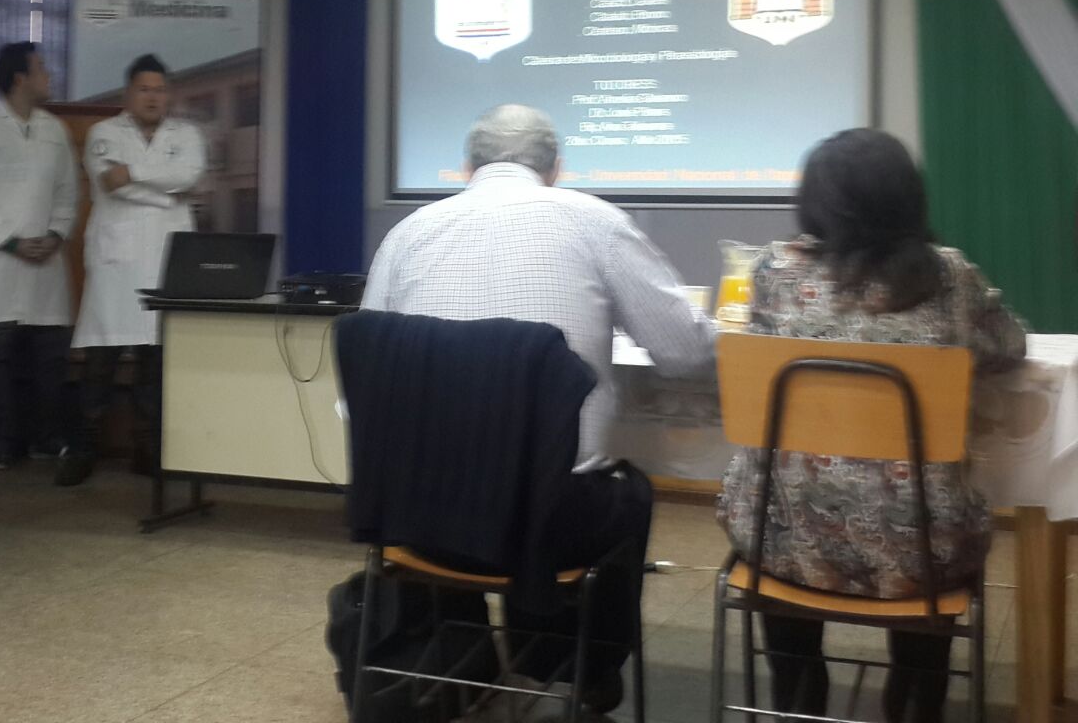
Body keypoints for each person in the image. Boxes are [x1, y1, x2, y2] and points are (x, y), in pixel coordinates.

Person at [361, 104, 715, 711]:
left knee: (473, 476)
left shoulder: (408, 233)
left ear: (467, 168)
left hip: (420, 519)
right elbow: (684, 353)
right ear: (555, 170)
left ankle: (464, 654)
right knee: (626, 491)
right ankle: (575, 667)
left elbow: (367, 384)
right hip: (550, 526)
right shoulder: (595, 221)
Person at [716, 129, 1025, 723]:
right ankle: (914, 697)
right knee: (923, 529)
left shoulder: (773, 273)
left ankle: (799, 695)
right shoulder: (949, 278)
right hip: (923, 557)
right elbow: (1009, 345)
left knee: (782, 511)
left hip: (781, 543)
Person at [57, 54, 205, 487]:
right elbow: (111, 185)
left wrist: (136, 172)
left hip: (164, 258)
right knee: (99, 362)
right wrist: (168, 195)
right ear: (129, 94)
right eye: (144, 89)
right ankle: (82, 450)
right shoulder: (104, 133)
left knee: (154, 360)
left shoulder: (187, 134)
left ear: (169, 94)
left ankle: (148, 449)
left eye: (160, 90)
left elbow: (189, 177)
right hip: (116, 264)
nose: (153, 97)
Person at [0, 42, 78, 469]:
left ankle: (46, 438)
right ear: (19, 78)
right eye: (41, 69)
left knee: (49, 357)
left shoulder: (55, 130)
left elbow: (67, 192)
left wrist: (56, 234)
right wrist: (10, 241)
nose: (49, 76)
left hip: (45, 260)